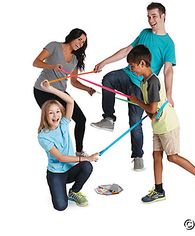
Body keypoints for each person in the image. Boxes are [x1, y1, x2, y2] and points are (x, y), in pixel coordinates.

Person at [91, 2, 175, 170]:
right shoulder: (144, 33)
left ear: (163, 16)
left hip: (140, 85)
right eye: (149, 17)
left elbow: (168, 70)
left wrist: (170, 94)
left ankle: (137, 156)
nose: (151, 20)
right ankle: (109, 119)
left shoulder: (168, 44)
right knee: (108, 79)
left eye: (154, 17)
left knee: (135, 121)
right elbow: (126, 50)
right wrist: (104, 62)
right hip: (125, 75)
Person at [127, 44, 195, 203]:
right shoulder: (143, 83)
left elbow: (152, 109)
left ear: (142, 63)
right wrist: (147, 109)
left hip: (167, 125)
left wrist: (136, 101)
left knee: (172, 157)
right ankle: (159, 190)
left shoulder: (153, 81)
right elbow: (151, 111)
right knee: (156, 156)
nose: (131, 69)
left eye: (132, 66)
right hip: (158, 126)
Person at [33, 28, 95, 157]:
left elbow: (74, 81)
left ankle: (78, 151)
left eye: (83, 42)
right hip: (43, 90)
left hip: (60, 92)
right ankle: (57, 154)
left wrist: (87, 89)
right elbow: (36, 62)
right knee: (54, 122)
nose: (81, 44)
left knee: (81, 119)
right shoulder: (54, 46)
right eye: (79, 39)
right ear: (72, 37)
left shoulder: (75, 59)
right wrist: (52, 66)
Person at [38, 80, 99, 211]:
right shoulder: (43, 136)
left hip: (71, 170)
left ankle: (74, 192)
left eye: (58, 111)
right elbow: (60, 158)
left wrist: (51, 89)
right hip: (56, 173)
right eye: (51, 113)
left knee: (87, 167)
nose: (55, 116)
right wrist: (86, 158)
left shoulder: (63, 124)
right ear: (45, 116)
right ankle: (58, 188)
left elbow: (70, 102)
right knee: (61, 207)